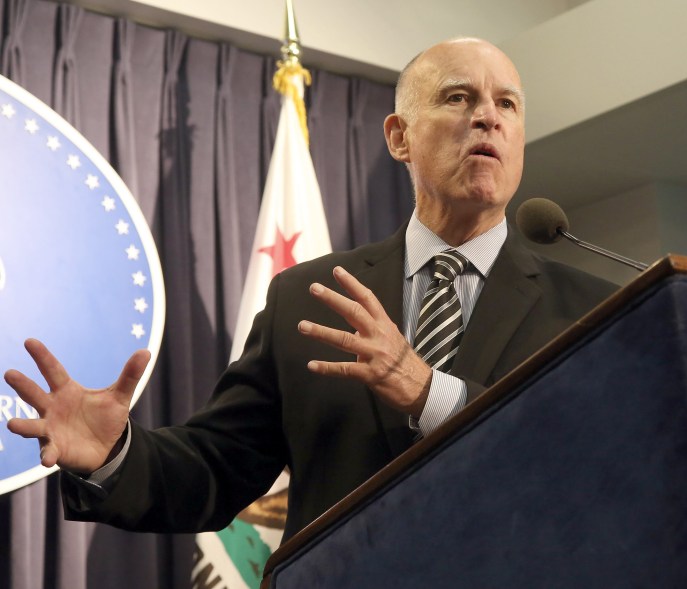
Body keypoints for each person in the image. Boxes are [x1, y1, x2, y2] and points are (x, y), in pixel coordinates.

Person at [5, 38, 617, 542]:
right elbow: (216, 471)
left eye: (507, 105)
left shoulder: (589, 311)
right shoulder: (307, 296)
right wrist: (116, 453)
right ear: (399, 136)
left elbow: (593, 468)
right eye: (459, 97)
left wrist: (430, 394)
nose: (489, 116)